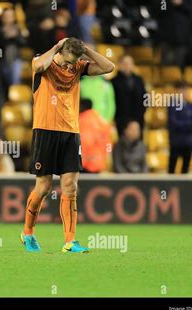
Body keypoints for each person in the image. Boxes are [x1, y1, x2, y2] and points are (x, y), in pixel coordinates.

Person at [22, 37, 114, 253]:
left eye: (72, 63)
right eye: (65, 62)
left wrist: (86, 51)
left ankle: (70, 241)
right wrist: (55, 47)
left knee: (70, 187)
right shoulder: (44, 63)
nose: (67, 67)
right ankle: (28, 233)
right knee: (43, 187)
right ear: (59, 52)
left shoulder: (77, 67)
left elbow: (109, 67)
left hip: (71, 132)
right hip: (45, 129)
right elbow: (38, 65)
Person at [167, 83, 192, 174]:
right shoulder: (172, 106)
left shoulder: (191, 106)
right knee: (172, 168)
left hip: (188, 142)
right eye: (181, 90)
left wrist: (183, 125)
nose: (183, 92)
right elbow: (174, 123)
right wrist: (188, 125)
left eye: (184, 90)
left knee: (185, 169)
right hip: (176, 142)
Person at [111, 55, 146, 136]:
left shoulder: (139, 80)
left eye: (129, 63)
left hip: (138, 119)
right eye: (125, 63)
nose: (127, 66)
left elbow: (144, 98)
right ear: (120, 65)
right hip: (121, 120)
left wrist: (141, 114)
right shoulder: (114, 82)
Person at [78, 99, 112, 173]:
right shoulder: (102, 121)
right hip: (98, 163)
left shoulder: (80, 121)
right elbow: (108, 144)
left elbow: (85, 142)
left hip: (83, 163)